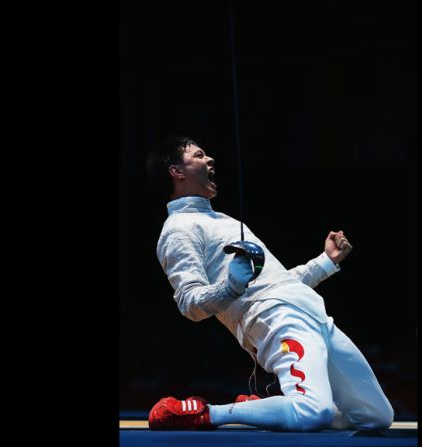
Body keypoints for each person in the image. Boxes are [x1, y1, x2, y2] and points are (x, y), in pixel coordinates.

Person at [143, 135, 394, 432]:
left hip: (311, 313)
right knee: (313, 412)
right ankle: (208, 414)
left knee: (377, 416)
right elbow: (189, 304)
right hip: (274, 318)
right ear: (177, 172)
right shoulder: (178, 230)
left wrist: (325, 262)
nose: (209, 160)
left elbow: (277, 284)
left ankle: (266, 408)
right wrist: (232, 286)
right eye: (198, 155)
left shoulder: (222, 220)